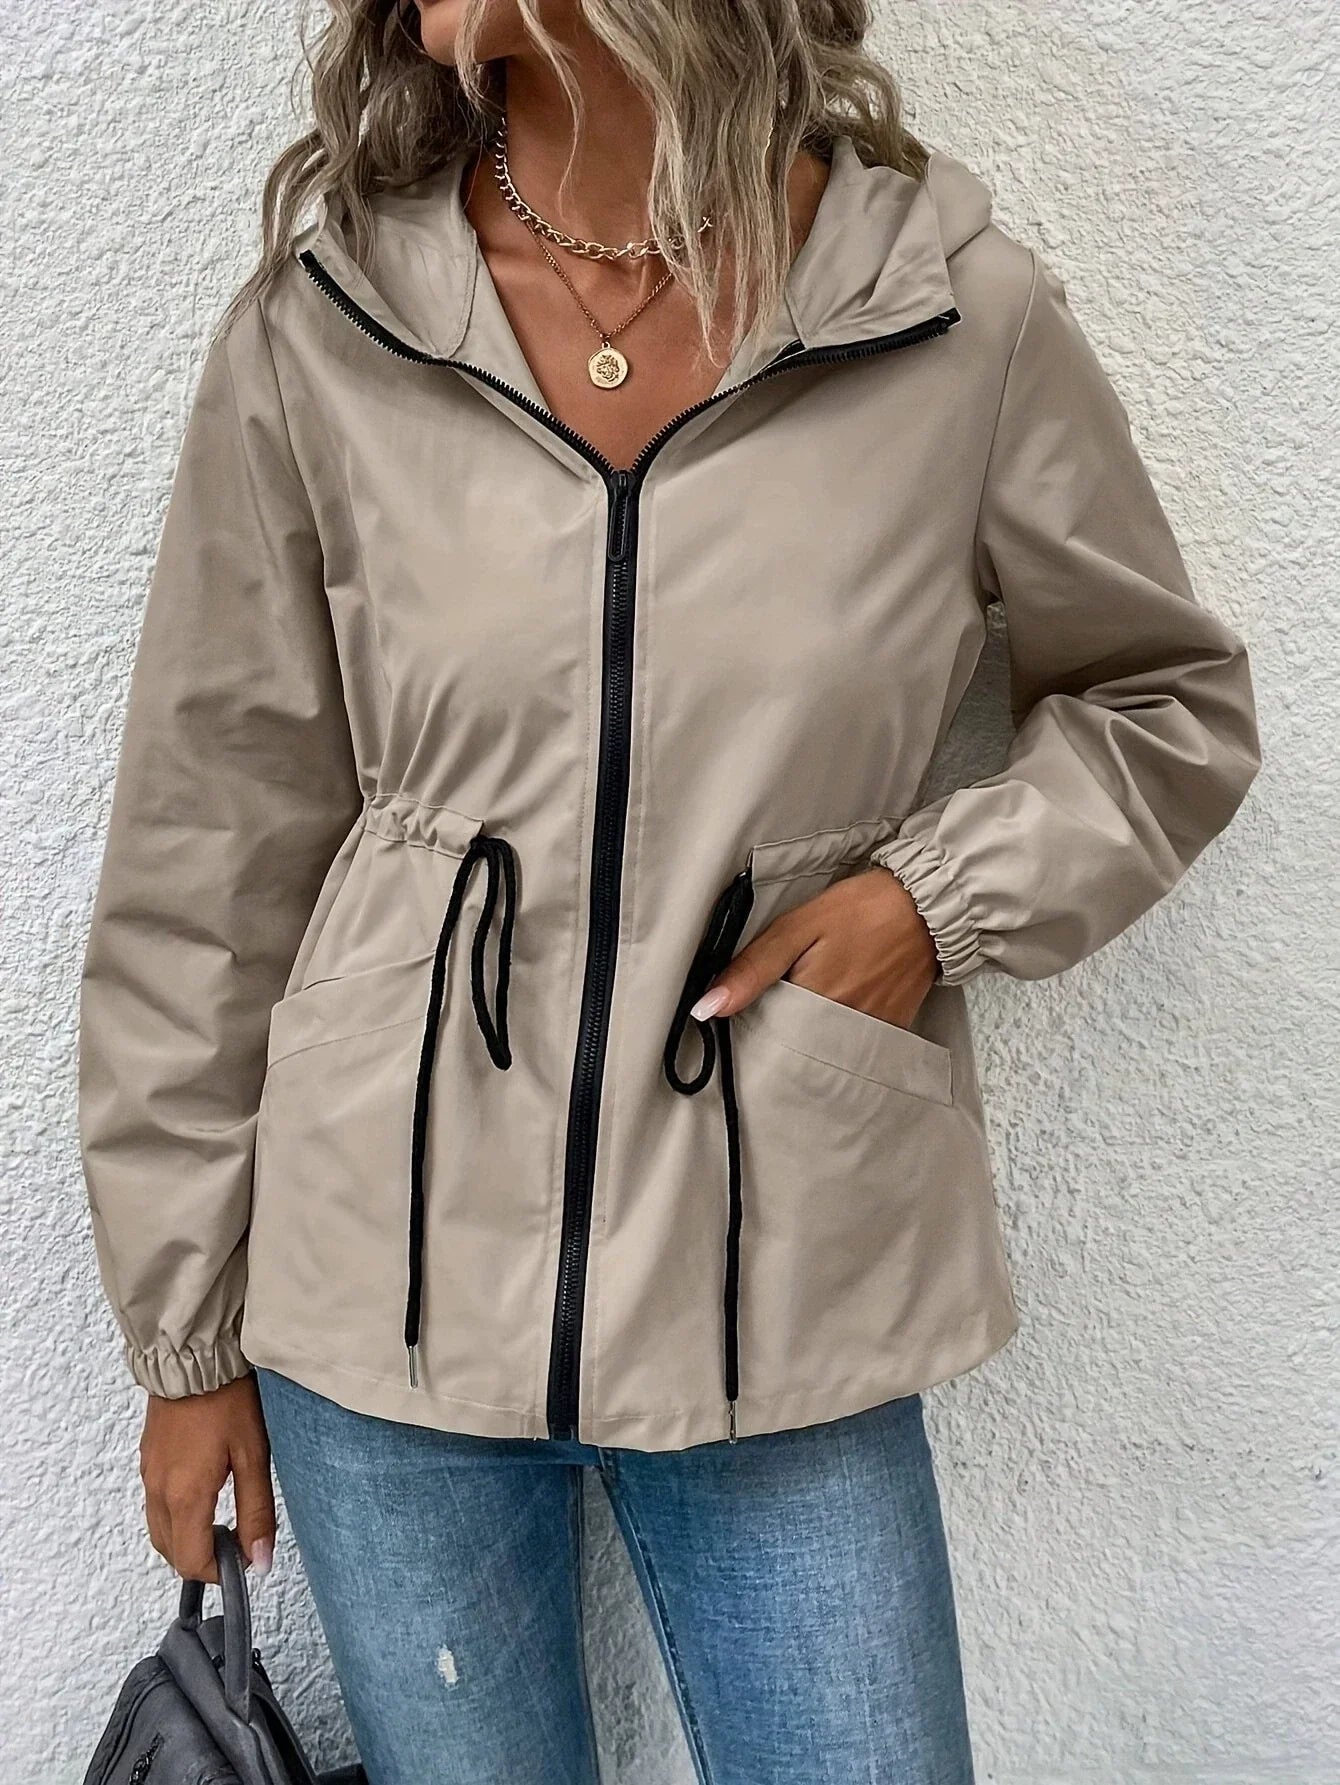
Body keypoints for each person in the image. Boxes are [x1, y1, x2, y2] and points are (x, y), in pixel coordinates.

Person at [75, 2, 1261, 1780]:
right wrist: (185, 1345)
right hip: (383, 1307)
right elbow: (208, 850)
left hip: (782, 1285)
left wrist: (930, 899)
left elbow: (1166, 705)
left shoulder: (942, 317)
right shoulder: (330, 330)